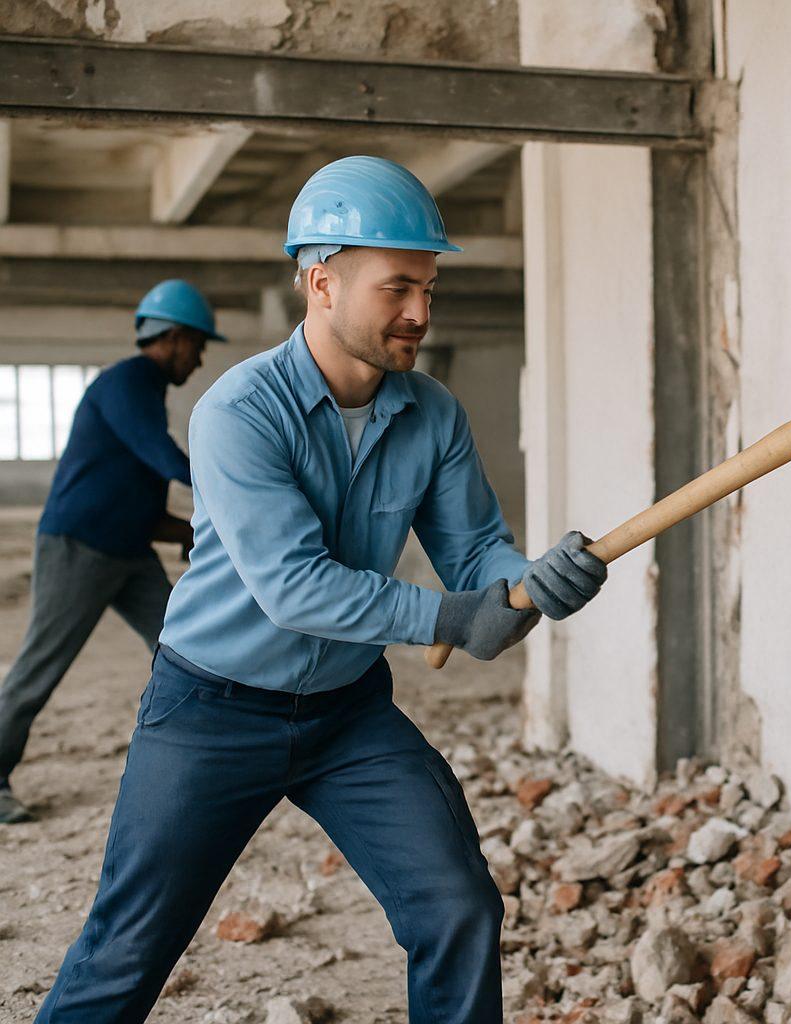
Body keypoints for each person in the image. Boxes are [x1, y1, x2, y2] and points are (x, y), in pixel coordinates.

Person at [34, 156, 606, 1023]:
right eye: (398, 286)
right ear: (322, 281)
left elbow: (477, 553)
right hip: (210, 712)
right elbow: (294, 587)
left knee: (459, 909)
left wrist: (529, 586)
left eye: (430, 286)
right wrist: (454, 617)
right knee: (127, 950)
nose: (420, 311)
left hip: (348, 715)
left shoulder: (434, 414)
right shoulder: (238, 413)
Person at [0, 280, 220, 824]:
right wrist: (235, 489)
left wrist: (188, 530)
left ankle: (212, 758)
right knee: (40, 667)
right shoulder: (127, 383)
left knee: (187, 645)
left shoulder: (145, 394)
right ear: (174, 338)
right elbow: (162, 458)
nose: (200, 358)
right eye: (198, 345)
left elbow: (133, 495)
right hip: (80, 548)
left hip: (127, 552)